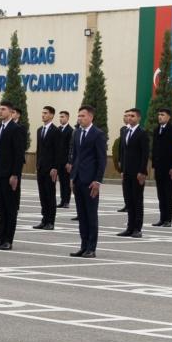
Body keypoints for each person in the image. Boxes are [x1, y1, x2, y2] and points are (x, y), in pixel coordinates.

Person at [66, 106, 106, 257]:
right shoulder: (76, 133)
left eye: (82, 116)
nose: (79, 119)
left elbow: (101, 160)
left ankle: (91, 248)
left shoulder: (98, 134)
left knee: (91, 215)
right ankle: (83, 246)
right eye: (79, 116)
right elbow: (75, 157)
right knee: (82, 215)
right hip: (78, 179)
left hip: (91, 181)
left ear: (90, 117)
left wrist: (97, 180)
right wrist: (72, 178)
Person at [0, 100, 27, 250]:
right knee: (1, 208)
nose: (0, 111)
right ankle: (1, 237)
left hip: (10, 174)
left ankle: (8, 240)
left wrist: (15, 175)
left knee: (10, 208)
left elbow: (18, 154)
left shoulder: (16, 129)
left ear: (11, 112)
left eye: (3, 109)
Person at [117, 109, 149, 238]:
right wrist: (123, 170)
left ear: (138, 118)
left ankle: (137, 228)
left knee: (137, 200)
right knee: (129, 201)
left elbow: (145, 154)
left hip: (137, 173)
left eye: (133, 116)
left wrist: (142, 171)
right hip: (127, 172)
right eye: (128, 116)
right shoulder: (125, 131)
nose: (130, 118)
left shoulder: (142, 133)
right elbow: (124, 152)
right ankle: (129, 227)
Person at [149, 108, 172, 228]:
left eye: (162, 114)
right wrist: (154, 165)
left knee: (168, 194)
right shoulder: (157, 130)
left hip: (169, 168)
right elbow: (155, 148)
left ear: (168, 117)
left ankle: (168, 219)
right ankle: (162, 218)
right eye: (159, 114)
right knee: (160, 194)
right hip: (159, 168)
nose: (160, 117)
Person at [33, 106, 60, 230]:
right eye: (42, 113)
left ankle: (51, 221)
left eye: (46, 113)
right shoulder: (39, 130)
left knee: (50, 194)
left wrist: (55, 167)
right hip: (41, 167)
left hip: (50, 169)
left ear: (51, 115)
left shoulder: (56, 131)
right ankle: (44, 219)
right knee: (42, 195)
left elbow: (58, 151)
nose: (43, 115)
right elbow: (39, 150)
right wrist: (37, 164)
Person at [55, 110, 73, 207]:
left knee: (66, 182)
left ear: (67, 118)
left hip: (66, 161)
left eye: (63, 117)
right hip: (59, 161)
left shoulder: (70, 130)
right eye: (60, 117)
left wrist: (69, 161)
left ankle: (67, 201)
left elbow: (70, 147)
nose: (61, 119)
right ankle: (62, 200)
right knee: (61, 181)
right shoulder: (58, 129)